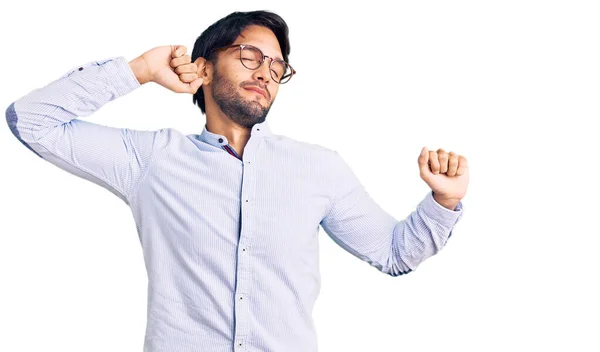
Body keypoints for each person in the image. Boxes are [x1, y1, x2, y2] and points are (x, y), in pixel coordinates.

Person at [5, 9, 468, 352]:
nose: (265, 73)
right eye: (250, 56)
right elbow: (31, 120)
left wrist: (443, 202)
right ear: (202, 68)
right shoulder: (150, 159)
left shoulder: (319, 168)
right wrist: (140, 70)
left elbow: (393, 254)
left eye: (275, 66)